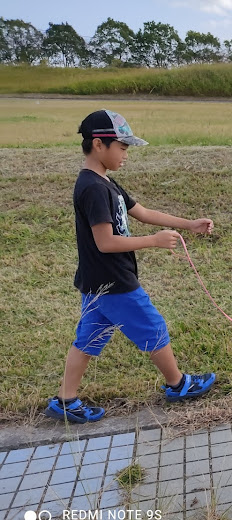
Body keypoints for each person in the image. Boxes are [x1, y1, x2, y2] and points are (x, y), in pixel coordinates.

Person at [44, 109, 217, 424]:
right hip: (113, 281)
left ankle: (65, 400)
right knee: (153, 328)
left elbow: (144, 212)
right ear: (99, 145)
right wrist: (153, 241)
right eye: (121, 147)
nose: (125, 154)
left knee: (88, 339)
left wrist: (189, 224)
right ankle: (178, 384)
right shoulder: (93, 188)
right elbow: (106, 242)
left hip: (99, 281)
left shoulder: (105, 182)